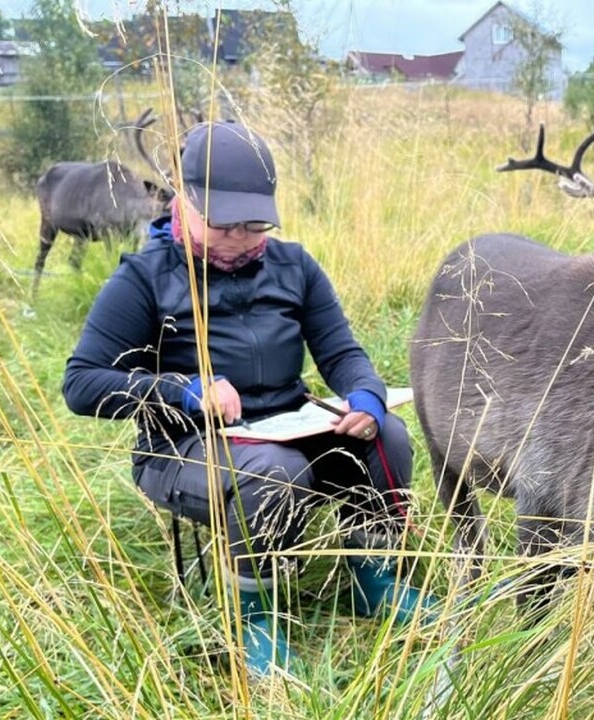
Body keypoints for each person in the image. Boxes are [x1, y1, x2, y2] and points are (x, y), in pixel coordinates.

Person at [62, 120, 433, 678]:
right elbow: (82, 384)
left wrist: (366, 396)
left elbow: (342, 353)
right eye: (225, 225)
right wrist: (184, 392)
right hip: (184, 448)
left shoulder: (295, 267)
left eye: (255, 225)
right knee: (274, 471)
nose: (240, 238)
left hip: (287, 425)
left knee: (390, 437)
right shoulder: (144, 280)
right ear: (185, 201)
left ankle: (374, 576)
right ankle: (252, 614)